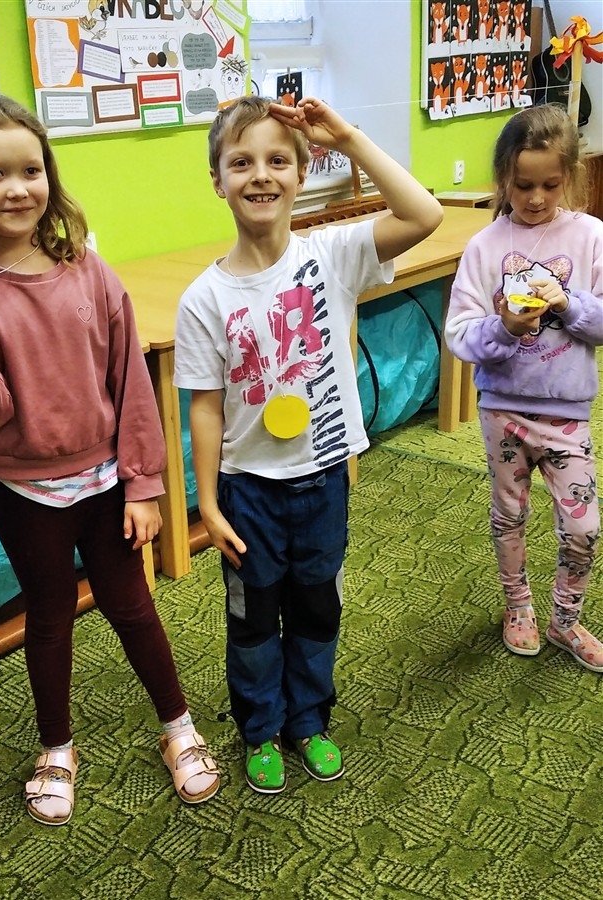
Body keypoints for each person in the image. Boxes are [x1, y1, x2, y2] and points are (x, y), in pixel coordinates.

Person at [0, 94, 220, 824]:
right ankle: (57, 748)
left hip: (107, 482)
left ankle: (179, 726)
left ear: (49, 177)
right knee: (50, 616)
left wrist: (144, 484)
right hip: (22, 493)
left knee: (132, 605)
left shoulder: (86, 268)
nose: (17, 188)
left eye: (31, 170)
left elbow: (131, 383)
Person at [173, 95, 443, 792]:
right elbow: (205, 406)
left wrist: (348, 138)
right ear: (216, 180)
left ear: (300, 172)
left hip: (322, 481)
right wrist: (209, 504)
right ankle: (260, 728)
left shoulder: (333, 254)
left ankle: (308, 721)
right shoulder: (204, 298)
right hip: (248, 492)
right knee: (252, 619)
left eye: (276, 160)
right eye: (240, 162)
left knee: (319, 610)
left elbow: (424, 214)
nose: (260, 175)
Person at [445, 104, 603, 673]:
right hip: (503, 411)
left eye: (549, 185)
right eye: (522, 185)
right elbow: (459, 334)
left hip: (566, 412)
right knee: (508, 515)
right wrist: (505, 327)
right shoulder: (485, 246)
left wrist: (570, 303)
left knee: (583, 527)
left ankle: (566, 619)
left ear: (570, 177)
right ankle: (519, 606)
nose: (535, 198)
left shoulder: (590, 236)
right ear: (503, 179)